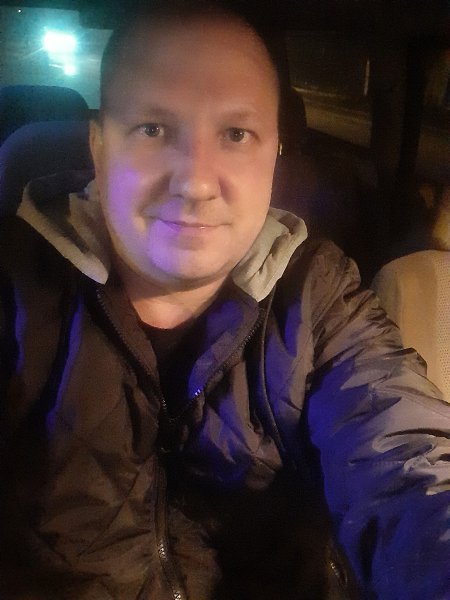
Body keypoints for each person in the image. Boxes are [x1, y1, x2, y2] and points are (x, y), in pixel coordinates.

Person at [1, 2, 450, 599]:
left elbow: (404, 458)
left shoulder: (319, 297)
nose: (195, 182)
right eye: (153, 129)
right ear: (98, 147)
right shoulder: (17, 284)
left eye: (236, 135)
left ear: (274, 155)